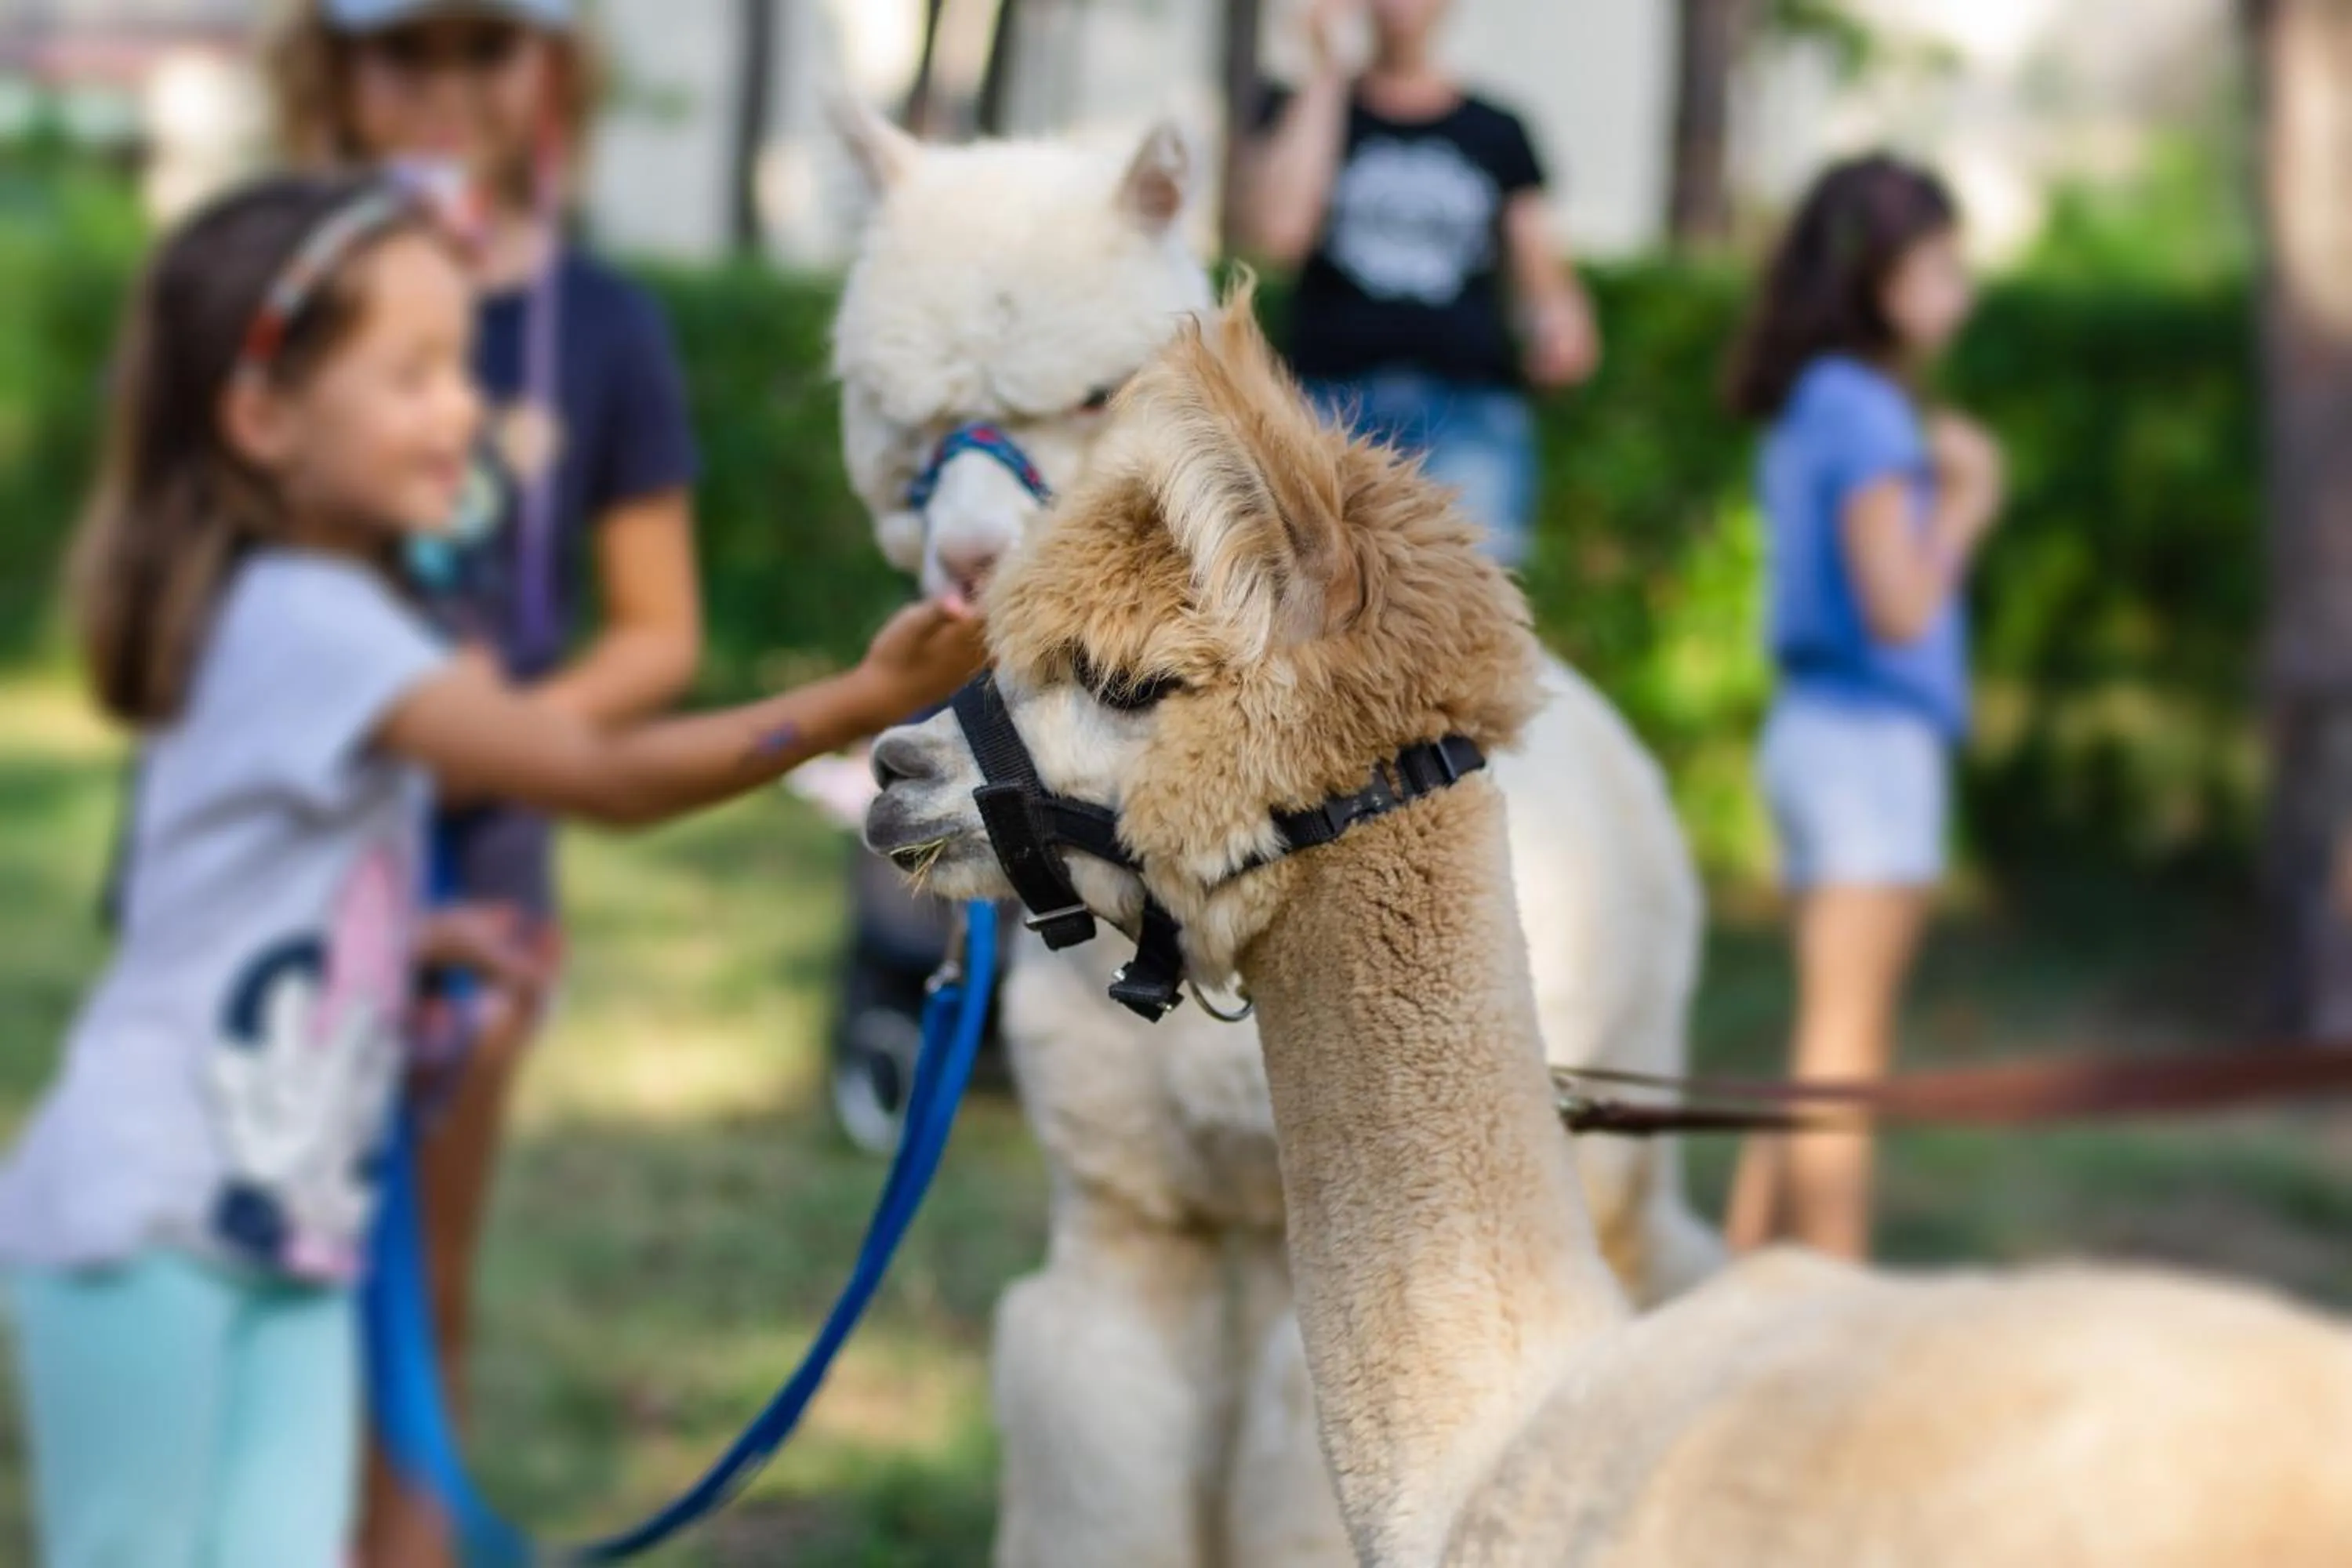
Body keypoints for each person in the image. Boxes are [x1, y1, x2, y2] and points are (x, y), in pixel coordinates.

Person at [0, 172, 982, 1568]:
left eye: (460, 365)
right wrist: (847, 704)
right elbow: (599, 779)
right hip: (150, 1227)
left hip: (286, 1224)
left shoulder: (311, 615)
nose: (462, 410)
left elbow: (235, 900)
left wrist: (417, 942)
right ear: (261, 417)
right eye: (410, 374)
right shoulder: (306, 618)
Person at [263, 4, 703, 1557]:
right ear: (332, 67)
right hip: (272, 872)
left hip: (480, 875)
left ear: (550, 71)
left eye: (483, 49)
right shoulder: (263, 293)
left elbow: (660, 632)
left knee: (417, 1302)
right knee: (257, 1284)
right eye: (405, 51)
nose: (443, 93)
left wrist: (489, 735)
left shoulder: (603, 322)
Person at [1720, 154, 2005, 1259]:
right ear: (1879, 281)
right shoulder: (1870, 413)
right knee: (1848, 1056)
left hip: (1820, 738)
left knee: (1819, 1044)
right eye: (1941, 267)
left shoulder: (1814, 402)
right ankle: (1826, 1312)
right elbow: (1898, 608)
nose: (1959, 293)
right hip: (1865, 746)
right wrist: (1970, 503)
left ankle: (1744, 1285)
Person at [1240, 0, 1600, 568]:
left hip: (1466, 411)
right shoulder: (1304, 108)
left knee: (1464, 611)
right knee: (1308, 609)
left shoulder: (1498, 129)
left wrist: (1559, 322)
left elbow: (1541, 270)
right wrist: (1326, 71)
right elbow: (1280, 236)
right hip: (1327, 407)